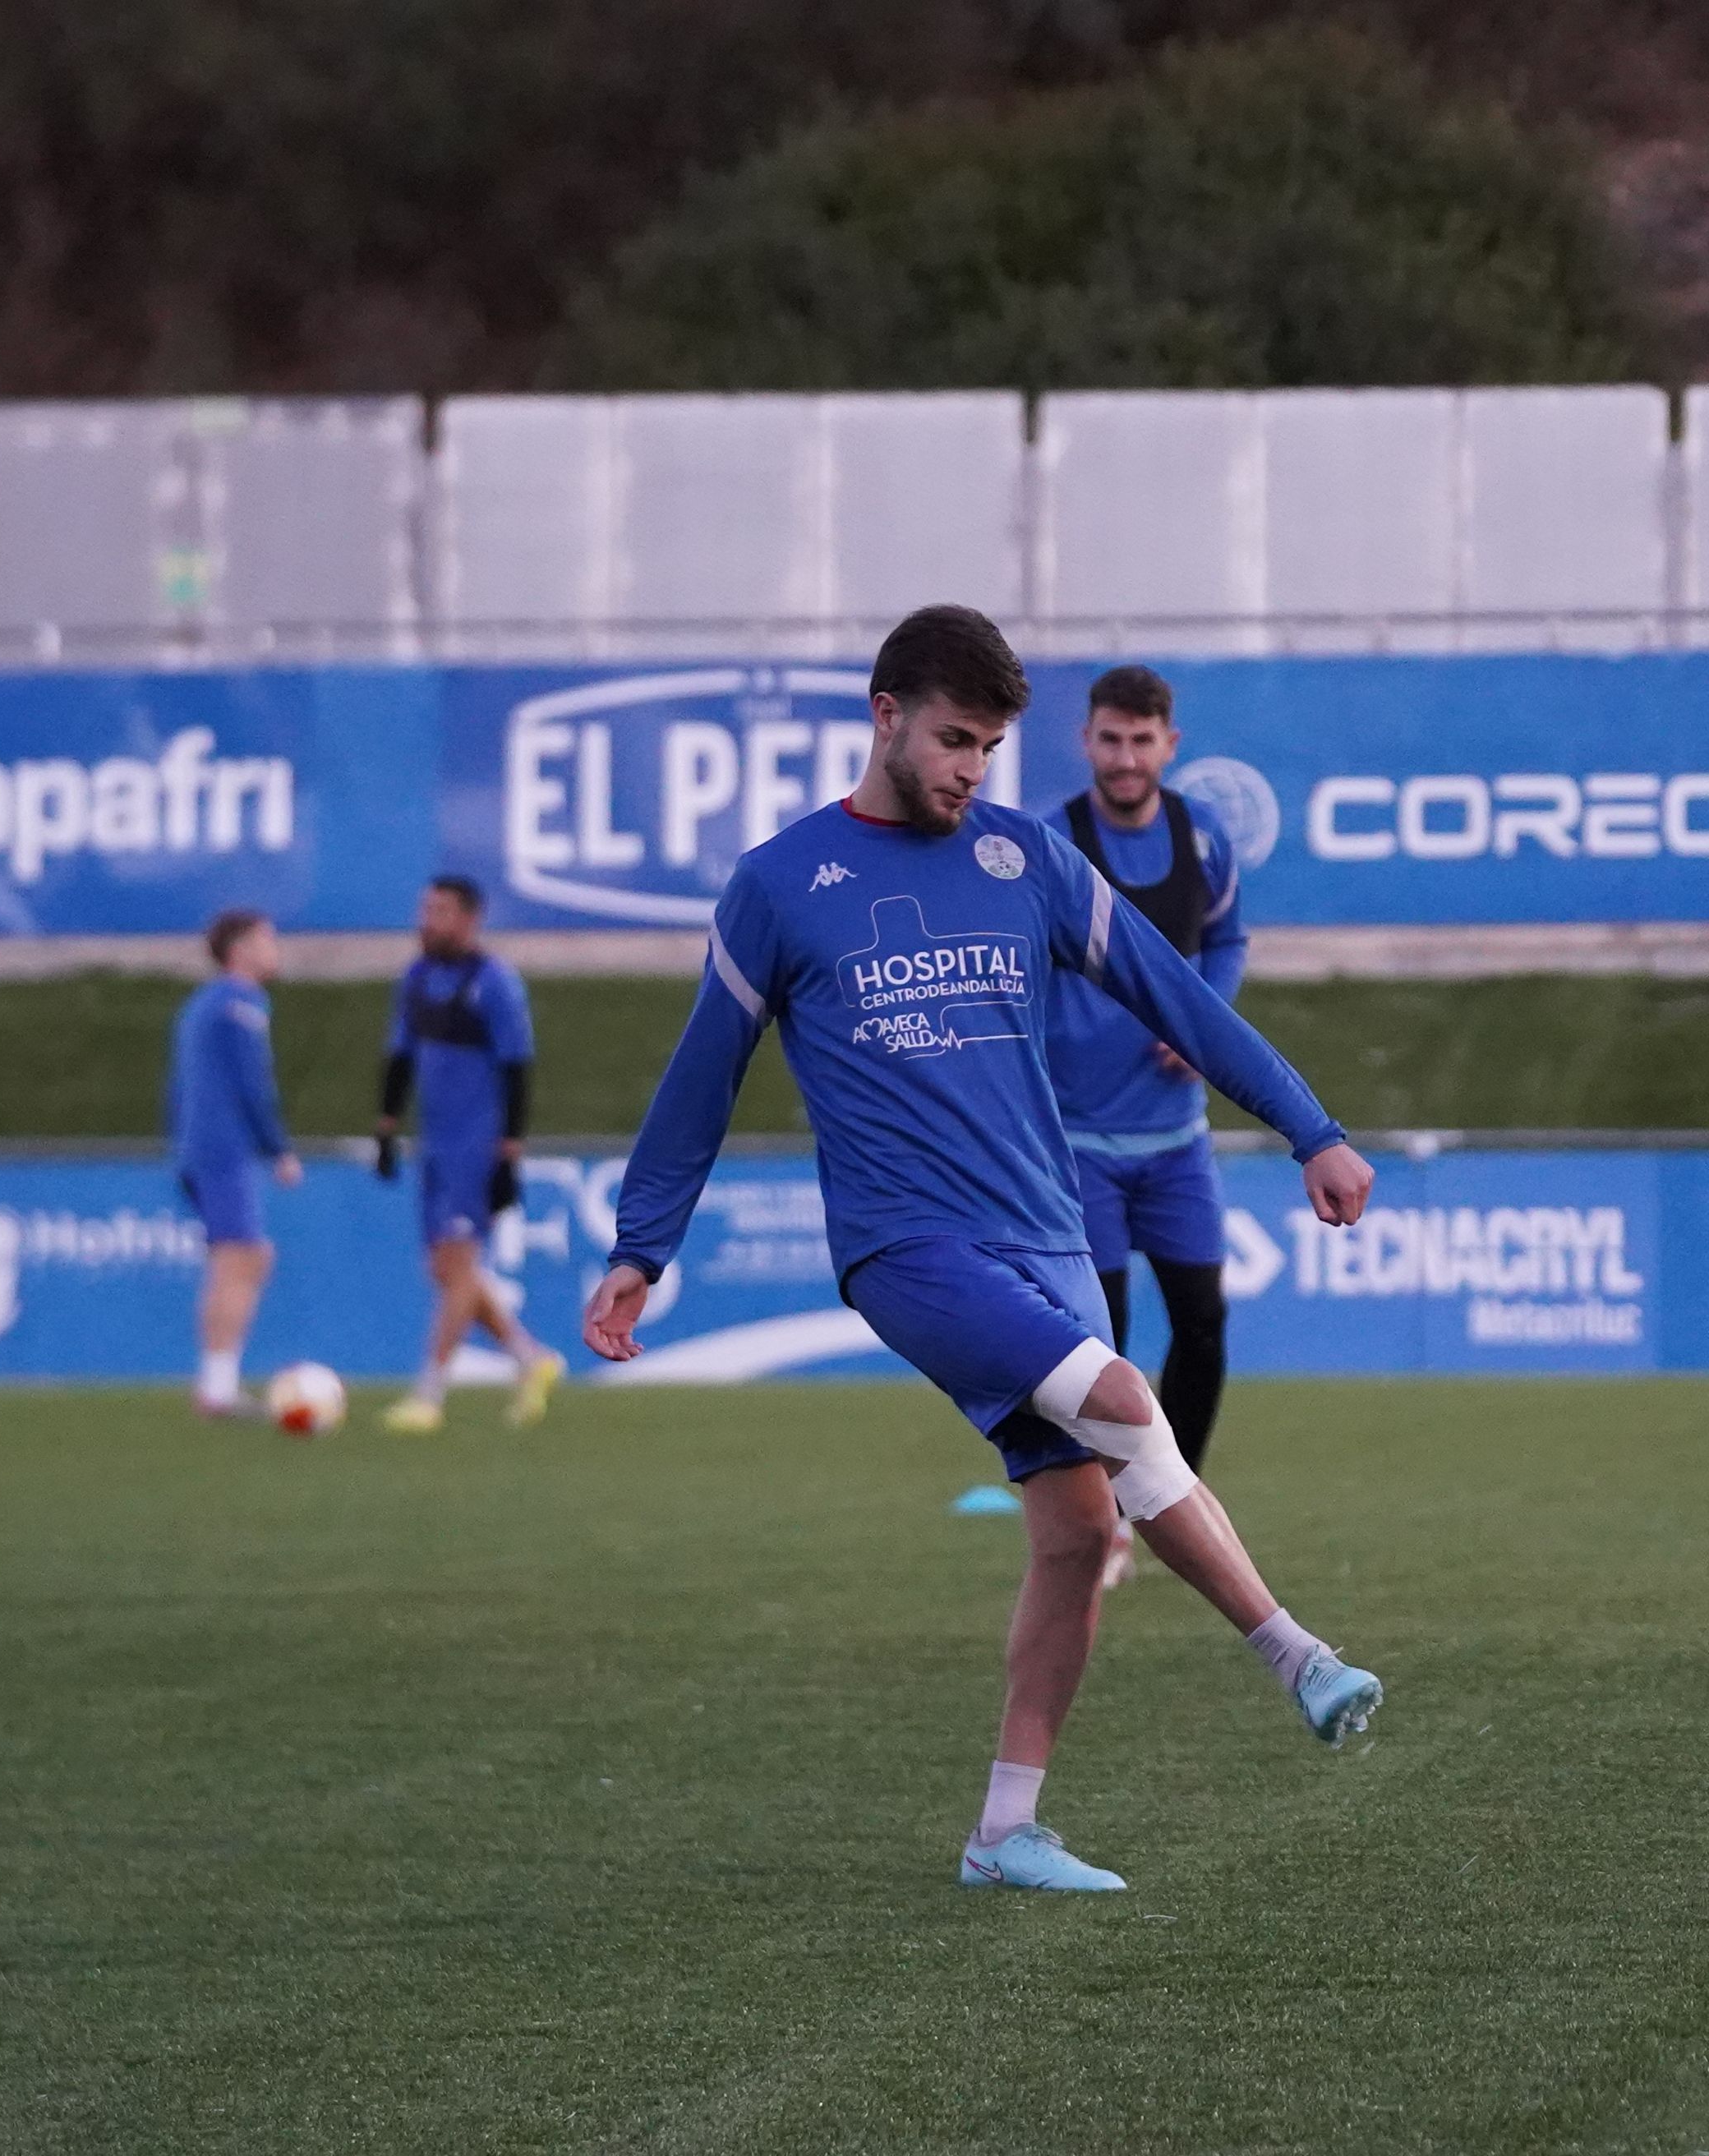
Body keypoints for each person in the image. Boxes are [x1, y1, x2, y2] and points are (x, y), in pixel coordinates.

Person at [583, 604, 1384, 1895]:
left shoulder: (1029, 861)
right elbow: (701, 1077)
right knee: (1129, 1403)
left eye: (991, 751)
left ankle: (1005, 1832)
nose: (969, 771)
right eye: (953, 741)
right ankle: (1298, 1655)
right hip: (910, 1249)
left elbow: (1177, 996)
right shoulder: (782, 885)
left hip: (1046, 1236)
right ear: (884, 715)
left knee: (1073, 1532)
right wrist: (643, 1244)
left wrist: (1309, 1128)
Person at [1044, 665, 1242, 1588]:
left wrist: (1203, 1014)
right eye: (1110, 739)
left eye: (1143, 739)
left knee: (1203, 1321)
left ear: (1172, 745)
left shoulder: (1205, 841)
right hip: (1079, 1144)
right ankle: (1108, 1523)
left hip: (1176, 1142)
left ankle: (1171, 1498)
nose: (1126, 757)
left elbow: (1229, 940)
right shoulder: (1049, 843)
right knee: (1104, 1345)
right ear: (1087, 741)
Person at [373, 875, 566, 1431]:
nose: (426, 920)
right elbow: (400, 1055)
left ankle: (428, 1394)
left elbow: (516, 1068)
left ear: (469, 920)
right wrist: (386, 1127)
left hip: (475, 1147)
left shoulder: (495, 984)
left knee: (459, 1265)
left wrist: (509, 1151)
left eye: (439, 912)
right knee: (445, 1268)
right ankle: (531, 1358)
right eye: (424, 909)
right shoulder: (416, 978)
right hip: (432, 1144)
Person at [166, 907, 302, 1417]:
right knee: (241, 1257)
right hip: (225, 1149)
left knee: (243, 1257)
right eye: (268, 940)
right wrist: (278, 1149)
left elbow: (178, 1087)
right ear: (241, 950)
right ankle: (217, 1389)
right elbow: (253, 1083)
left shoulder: (202, 1004)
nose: (276, 950)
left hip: (200, 1147)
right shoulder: (242, 1002)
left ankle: (218, 1382)